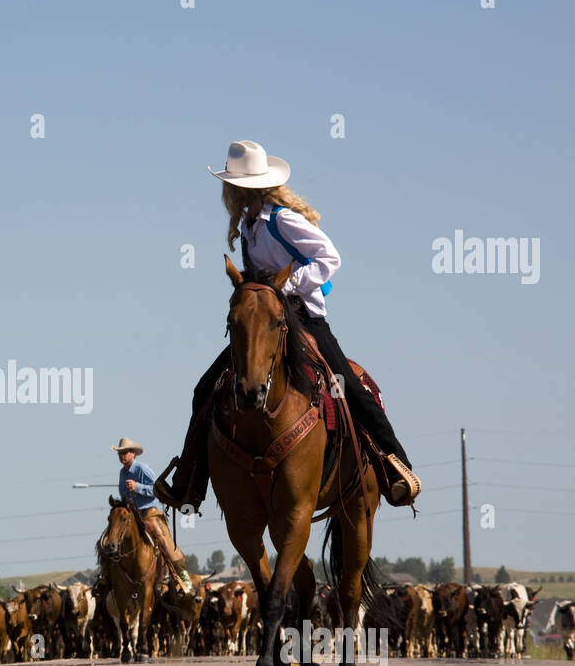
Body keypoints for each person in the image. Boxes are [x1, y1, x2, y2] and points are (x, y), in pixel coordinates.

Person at [155, 140, 420, 511]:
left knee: (347, 386)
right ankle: (190, 483)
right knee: (205, 389)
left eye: (233, 184)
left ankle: (396, 465)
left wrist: (287, 287)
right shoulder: (248, 227)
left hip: (305, 319)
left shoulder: (282, 221)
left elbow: (330, 257)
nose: (229, 191)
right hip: (264, 326)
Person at [111, 438, 194, 596]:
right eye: (120, 453)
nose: (122, 455)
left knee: (163, 540)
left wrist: (138, 487)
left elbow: (157, 488)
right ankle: (108, 577)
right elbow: (123, 493)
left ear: (133, 454)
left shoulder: (142, 469)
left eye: (125, 452)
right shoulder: (122, 472)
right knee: (112, 534)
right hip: (131, 515)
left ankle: (184, 579)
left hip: (148, 512)